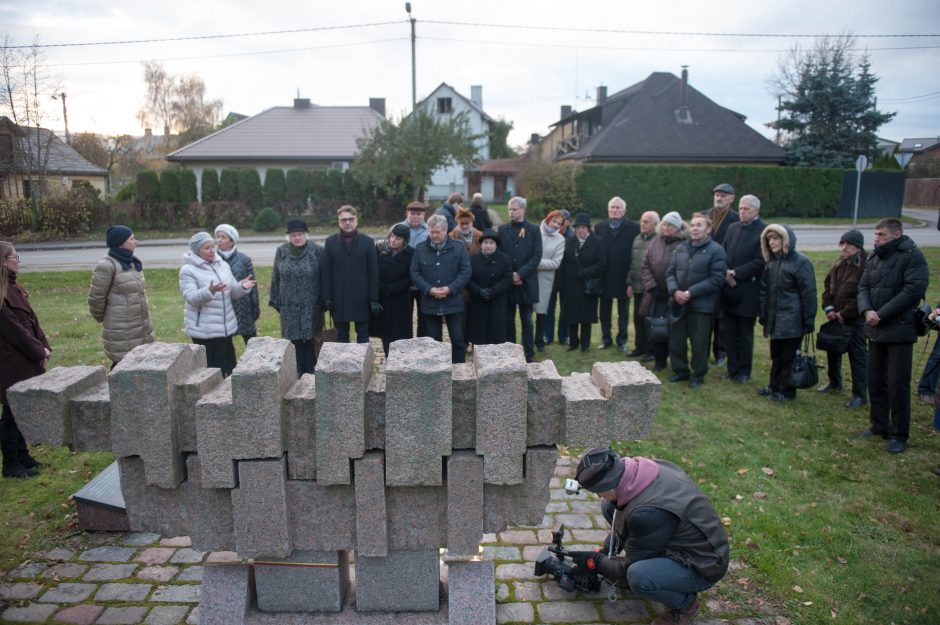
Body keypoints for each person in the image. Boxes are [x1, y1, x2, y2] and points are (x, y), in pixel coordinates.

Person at [574, 448, 729, 625]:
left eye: (598, 491)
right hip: (671, 539)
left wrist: (598, 563)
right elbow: (621, 517)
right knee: (609, 506)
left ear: (610, 485)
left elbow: (629, 565)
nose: (598, 496)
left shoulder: (646, 513)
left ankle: (685, 605)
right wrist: (606, 551)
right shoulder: (637, 473)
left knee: (639, 576)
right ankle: (658, 570)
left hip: (703, 564)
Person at [856, 218, 929, 454]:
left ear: (897, 235)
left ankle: (899, 434)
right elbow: (863, 286)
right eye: (875, 235)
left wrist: (882, 313)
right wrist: (866, 310)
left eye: (882, 235)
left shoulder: (912, 256)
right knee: (875, 379)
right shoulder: (874, 257)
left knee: (897, 384)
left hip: (899, 329)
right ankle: (879, 425)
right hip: (875, 328)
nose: (876, 239)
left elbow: (913, 291)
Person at [0, 242, 49, 478]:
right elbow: (15, 331)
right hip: (10, 362)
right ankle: (11, 463)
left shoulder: (14, 287)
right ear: (3, 261)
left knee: (19, 410)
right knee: (11, 412)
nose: (18, 260)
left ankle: (23, 456)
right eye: (14, 256)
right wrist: (38, 351)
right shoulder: (1, 294)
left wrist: (44, 345)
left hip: (24, 358)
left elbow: (32, 321)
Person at [179, 232, 256, 377]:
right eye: (206, 248)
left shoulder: (223, 264)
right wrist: (209, 290)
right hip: (205, 331)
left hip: (226, 328)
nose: (212, 250)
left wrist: (242, 287)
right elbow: (191, 297)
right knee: (212, 372)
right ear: (197, 251)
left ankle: (229, 396)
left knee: (230, 367)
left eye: (212, 246)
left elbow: (232, 291)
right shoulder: (188, 270)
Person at [756, 224, 817, 401]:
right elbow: (764, 291)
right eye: (769, 239)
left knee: (789, 357)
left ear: (786, 240)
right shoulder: (771, 263)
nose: (772, 242)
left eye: (776, 238)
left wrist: (808, 319)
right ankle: (774, 385)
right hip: (775, 319)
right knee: (776, 355)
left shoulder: (801, 262)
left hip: (792, 319)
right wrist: (763, 314)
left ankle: (787, 390)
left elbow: (809, 293)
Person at [665, 213, 727, 388]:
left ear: (708, 229)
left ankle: (698, 375)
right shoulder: (681, 248)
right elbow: (670, 273)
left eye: (699, 225)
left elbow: (717, 278)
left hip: (701, 306)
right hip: (678, 302)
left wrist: (691, 292)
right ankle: (680, 370)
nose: (694, 228)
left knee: (699, 343)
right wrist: (675, 291)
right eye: (692, 225)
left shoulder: (716, 250)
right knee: (676, 340)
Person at [87, 225, 155, 367]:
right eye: (131, 239)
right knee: (122, 368)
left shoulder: (131, 262)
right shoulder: (106, 266)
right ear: (120, 242)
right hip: (121, 331)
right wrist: (106, 318)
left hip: (141, 326)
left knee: (141, 368)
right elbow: (96, 298)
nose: (135, 242)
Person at [411, 214, 471, 363]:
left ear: (446, 231)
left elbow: (465, 271)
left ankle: (458, 373)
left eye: (438, 232)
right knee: (433, 342)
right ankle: (437, 373)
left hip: (453, 302)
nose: (434, 235)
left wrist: (451, 288)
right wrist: (428, 289)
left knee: (457, 340)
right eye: (431, 232)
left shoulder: (458, 247)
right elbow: (415, 272)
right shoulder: (420, 249)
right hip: (430, 303)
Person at [818, 229, 868, 408]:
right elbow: (827, 285)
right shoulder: (839, 262)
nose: (844, 247)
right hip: (835, 315)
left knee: (858, 356)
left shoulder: (865, 265)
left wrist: (845, 313)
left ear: (858, 246)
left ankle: (860, 395)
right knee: (832, 348)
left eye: (848, 244)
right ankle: (834, 382)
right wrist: (829, 307)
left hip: (855, 319)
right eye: (842, 243)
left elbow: (863, 294)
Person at [719, 195, 765, 384]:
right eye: (741, 208)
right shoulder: (733, 228)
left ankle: (744, 371)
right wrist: (726, 273)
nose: (742, 212)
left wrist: (736, 273)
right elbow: (722, 252)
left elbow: (760, 261)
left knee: (744, 334)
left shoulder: (763, 230)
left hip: (748, 290)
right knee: (729, 332)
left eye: (746, 209)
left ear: (756, 210)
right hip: (729, 288)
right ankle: (732, 368)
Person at [269, 220, 323, 376]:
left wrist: (324, 301)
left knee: (311, 341)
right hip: (288, 306)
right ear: (288, 236)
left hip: (311, 305)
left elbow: (324, 277)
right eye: (293, 235)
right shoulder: (281, 251)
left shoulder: (317, 251)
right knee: (294, 343)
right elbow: (275, 277)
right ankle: (296, 374)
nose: (297, 237)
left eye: (300, 234)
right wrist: (276, 301)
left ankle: (311, 374)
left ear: (306, 234)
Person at [321, 205, 380, 344]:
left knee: (363, 336)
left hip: (362, 297)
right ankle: (343, 365)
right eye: (344, 220)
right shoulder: (330, 242)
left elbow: (373, 272)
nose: (347, 222)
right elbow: (326, 271)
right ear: (339, 222)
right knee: (341, 337)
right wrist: (327, 296)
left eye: (351, 219)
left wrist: (373, 298)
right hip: (339, 297)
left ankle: (365, 365)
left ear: (356, 220)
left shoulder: (367, 242)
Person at [640, 212, 689, 372]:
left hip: (675, 294)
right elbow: (645, 265)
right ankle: (659, 361)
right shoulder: (655, 241)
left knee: (675, 331)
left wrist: (674, 289)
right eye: (665, 224)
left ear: (678, 228)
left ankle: (678, 364)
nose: (667, 228)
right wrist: (652, 286)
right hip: (656, 293)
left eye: (671, 225)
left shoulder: (685, 243)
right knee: (657, 327)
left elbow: (685, 269)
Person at [498, 196, 542, 363]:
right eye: (509, 209)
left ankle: (529, 353)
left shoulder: (533, 229)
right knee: (508, 318)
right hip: (508, 282)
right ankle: (510, 350)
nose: (511, 212)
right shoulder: (502, 230)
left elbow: (536, 255)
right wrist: (511, 275)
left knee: (527, 320)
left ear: (522, 210)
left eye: (514, 209)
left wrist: (520, 274)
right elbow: (500, 254)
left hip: (526, 281)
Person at [594, 196, 640, 352]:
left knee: (623, 312)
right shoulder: (599, 227)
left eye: (618, 208)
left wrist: (631, 281)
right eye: (612, 207)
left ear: (624, 211)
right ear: (608, 210)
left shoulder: (634, 228)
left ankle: (622, 341)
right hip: (605, 276)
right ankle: (606, 339)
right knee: (604, 311)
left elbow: (636, 255)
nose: (615, 210)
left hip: (624, 277)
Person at [559, 213, 607, 352]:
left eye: (583, 227)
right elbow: (564, 263)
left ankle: (585, 345)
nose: (580, 230)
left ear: (588, 228)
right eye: (578, 227)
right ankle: (573, 343)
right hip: (571, 284)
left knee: (586, 316)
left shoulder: (597, 241)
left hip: (589, 284)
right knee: (571, 315)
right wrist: (562, 283)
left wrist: (585, 273)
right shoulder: (569, 241)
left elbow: (601, 263)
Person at [704, 183, 739, 367]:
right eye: (717, 194)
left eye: (724, 195)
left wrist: (728, 271)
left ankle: (720, 353)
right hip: (703, 273)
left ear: (731, 198)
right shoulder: (705, 215)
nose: (719, 198)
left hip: (724, 272)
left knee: (721, 318)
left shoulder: (735, 219)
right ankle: (702, 350)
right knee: (705, 316)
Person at [465, 229, 513, 346]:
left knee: (496, 334)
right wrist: (478, 291)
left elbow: (507, 279)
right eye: (486, 243)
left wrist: (492, 291)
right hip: (477, 301)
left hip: (497, 301)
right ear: (481, 244)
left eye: (491, 243)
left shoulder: (504, 259)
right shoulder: (472, 259)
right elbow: (467, 278)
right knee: (478, 334)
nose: (488, 246)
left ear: (496, 245)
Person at [214, 224, 259, 345]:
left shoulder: (244, 260)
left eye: (223, 237)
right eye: (217, 237)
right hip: (223, 307)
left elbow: (252, 285)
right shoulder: (213, 260)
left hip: (243, 307)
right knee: (224, 345)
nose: (219, 240)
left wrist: (255, 307)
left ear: (232, 240)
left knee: (251, 342)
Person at [374, 224, 415, 356]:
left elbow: (411, 276)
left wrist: (392, 288)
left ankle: (401, 362)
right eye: (392, 236)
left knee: (401, 334)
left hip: (401, 299)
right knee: (385, 333)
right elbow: (373, 271)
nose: (393, 240)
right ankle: (388, 359)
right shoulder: (379, 250)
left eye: (397, 238)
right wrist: (381, 287)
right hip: (383, 297)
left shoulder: (411, 253)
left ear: (404, 241)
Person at [626, 211, 659, 360]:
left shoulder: (658, 241)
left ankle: (651, 350)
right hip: (637, 286)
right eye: (641, 221)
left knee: (648, 319)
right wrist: (630, 283)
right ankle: (639, 346)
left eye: (646, 221)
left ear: (654, 225)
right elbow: (632, 263)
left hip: (650, 287)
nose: (642, 224)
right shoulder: (637, 239)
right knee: (637, 319)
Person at [534, 210, 567, 352]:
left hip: (545, 280)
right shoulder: (534, 232)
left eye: (559, 224)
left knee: (541, 313)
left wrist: (535, 263)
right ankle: (526, 341)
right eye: (554, 221)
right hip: (529, 277)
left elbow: (555, 263)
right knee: (526, 312)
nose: (555, 225)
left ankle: (539, 341)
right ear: (548, 219)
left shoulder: (560, 240)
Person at [398, 201, 429, 337]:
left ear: (424, 215)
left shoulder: (429, 230)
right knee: (404, 317)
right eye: (412, 214)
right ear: (407, 213)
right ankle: (406, 342)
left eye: (419, 214)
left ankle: (422, 342)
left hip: (424, 279)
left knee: (425, 316)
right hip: (403, 278)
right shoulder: (398, 229)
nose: (415, 217)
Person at [543, 209, 573, 348]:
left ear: (567, 222)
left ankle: (564, 335)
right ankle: (547, 335)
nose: (561, 224)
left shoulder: (571, 236)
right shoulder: (549, 234)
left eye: (564, 221)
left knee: (565, 308)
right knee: (549, 307)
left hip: (567, 277)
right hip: (551, 276)